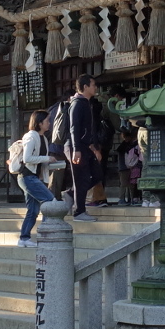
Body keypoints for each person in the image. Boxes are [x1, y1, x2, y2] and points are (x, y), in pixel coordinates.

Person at [13, 111, 62, 247]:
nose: (49, 123)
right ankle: (45, 235)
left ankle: (24, 238)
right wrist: (47, 158)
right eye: (47, 121)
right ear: (39, 123)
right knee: (50, 201)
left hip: (32, 177)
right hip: (27, 177)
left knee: (33, 210)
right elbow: (27, 158)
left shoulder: (44, 138)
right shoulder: (31, 136)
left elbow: (39, 162)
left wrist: (52, 164)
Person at [64, 74, 103, 222]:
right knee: (81, 179)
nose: (95, 88)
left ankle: (70, 194)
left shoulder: (86, 103)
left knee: (97, 175)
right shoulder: (77, 103)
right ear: (85, 87)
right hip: (76, 146)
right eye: (93, 85)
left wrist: (93, 148)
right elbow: (74, 128)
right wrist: (77, 149)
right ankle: (79, 211)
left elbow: (88, 130)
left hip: (85, 146)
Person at [118, 128, 142, 206]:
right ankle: (122, 199)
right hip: (125, 167)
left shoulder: (126, 146)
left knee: (131, 184)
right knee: (125, 184)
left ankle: (132, 198)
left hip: (127, 167)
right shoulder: (126, 146)